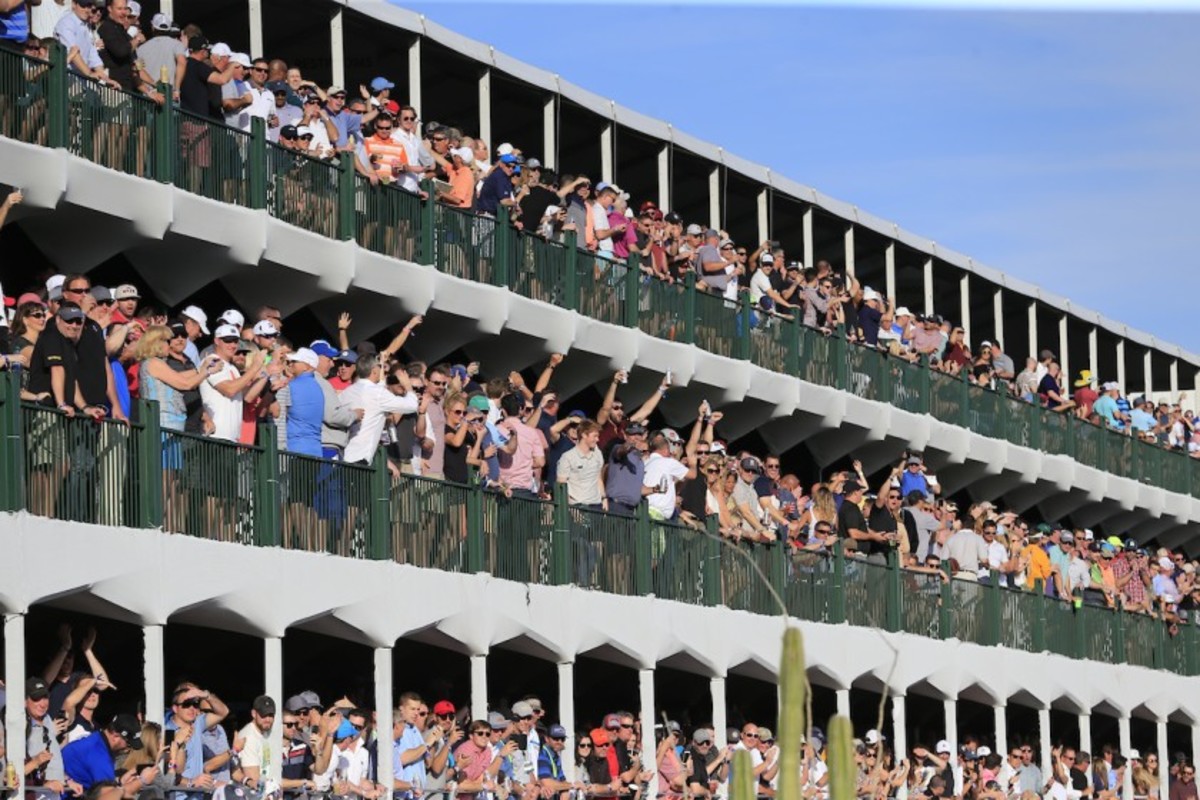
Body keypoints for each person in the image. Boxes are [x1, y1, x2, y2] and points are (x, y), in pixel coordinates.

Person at [341, 354, 419, 465]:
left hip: (344, 455)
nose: (380, 369)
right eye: (379, 367)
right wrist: (407, 385)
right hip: (360, 459)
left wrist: (381, 362)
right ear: (374, 371)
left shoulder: (347, 392)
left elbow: (380, 386)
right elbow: (411, 405)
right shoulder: (377, 393)